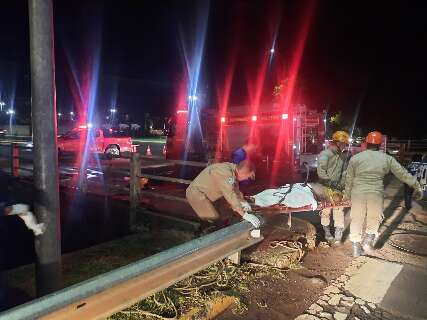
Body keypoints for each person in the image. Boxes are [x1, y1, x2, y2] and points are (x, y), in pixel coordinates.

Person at [344, 131, 423, 257]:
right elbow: (402, 173)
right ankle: (368, 242)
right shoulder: (387, 159)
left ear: (367, 143)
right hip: (375, 193)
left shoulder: (356, 158)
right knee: (374, 218)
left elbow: (348, 179)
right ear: (380, 145)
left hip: (358, 193)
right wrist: (416, 185)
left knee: (357, 218)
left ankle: (355, 249)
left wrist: (346, 195)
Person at [186, 160, 260, 232]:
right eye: (247, 177)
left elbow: (236, 191)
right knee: (213, 221)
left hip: (207, 196)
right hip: (197, 194)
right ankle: (203, 239)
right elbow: (230, 194)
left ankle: (203, 231)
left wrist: (243, 202)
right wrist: (244, 215)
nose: (246, 179)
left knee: (216, 219)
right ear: (243, 173)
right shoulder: (225, 173)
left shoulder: (232, 171)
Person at [313, 130, 350, 244]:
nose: (344, 146)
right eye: (343, 144)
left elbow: (344, 173)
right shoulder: (325, 154)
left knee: (339, 209)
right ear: (337, 142)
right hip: (325, 187)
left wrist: (342, 185)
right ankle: (327, 232)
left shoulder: (343, 156)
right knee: (326, 210)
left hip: (337, 188)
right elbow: (321, 171)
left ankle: (338, 234)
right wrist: (330, 182)